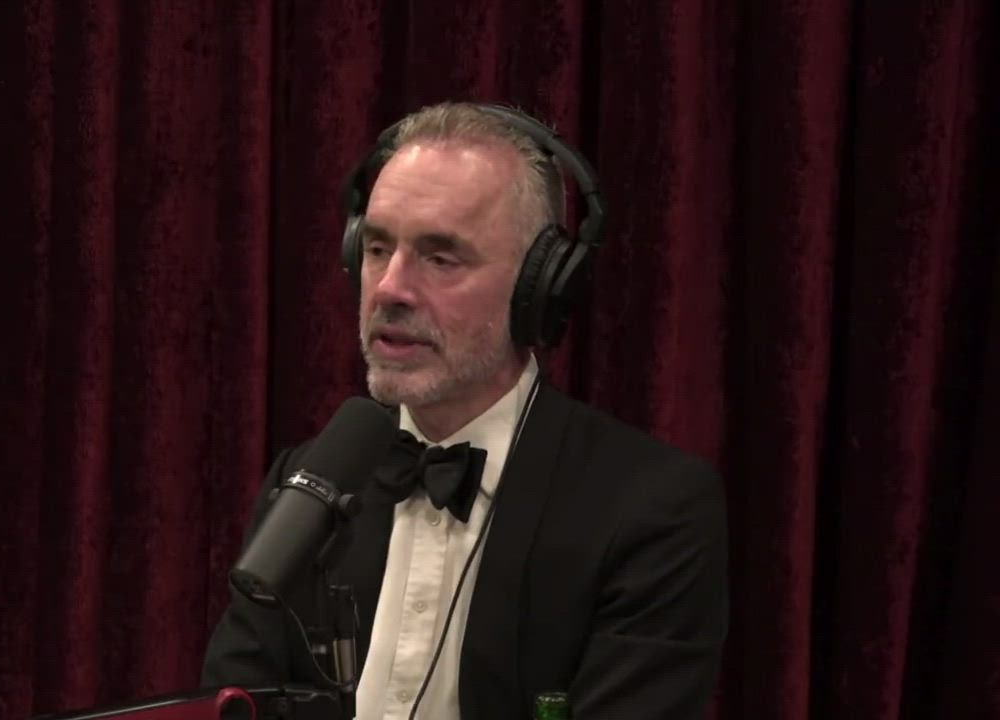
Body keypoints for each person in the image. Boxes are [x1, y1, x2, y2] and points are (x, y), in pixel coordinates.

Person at [200, 101, 728, 719]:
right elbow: (230, 703)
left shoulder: (651, 509)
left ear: (539, 288)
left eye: (440, 257)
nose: (390, 288)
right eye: (377, 248)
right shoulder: (310, 483)